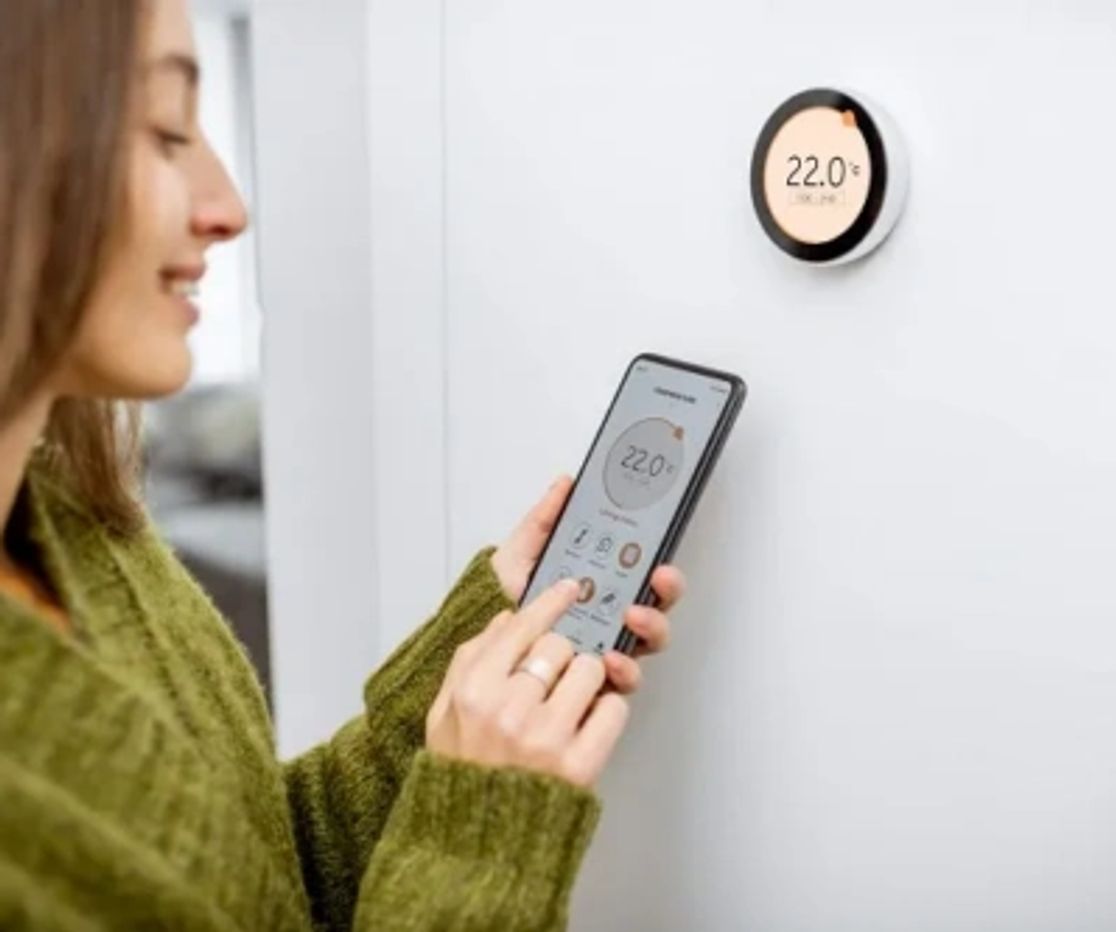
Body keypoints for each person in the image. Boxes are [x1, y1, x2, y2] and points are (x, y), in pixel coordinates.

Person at [0, 1, 687, 928]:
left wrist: (462, 690)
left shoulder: (84, 533)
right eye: (165, 130)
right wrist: (479, 836)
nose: (229, 209)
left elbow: (258, 881)